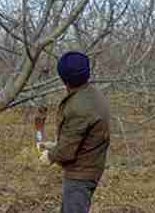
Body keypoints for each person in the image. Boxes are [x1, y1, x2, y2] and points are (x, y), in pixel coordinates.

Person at [37, 51, 111, 213]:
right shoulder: (91, 94)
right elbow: (79, 135)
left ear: (64, 78)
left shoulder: (79, 107)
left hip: (81, 174)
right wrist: (55, 145)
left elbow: (66, 152)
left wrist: (50, 156)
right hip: (90, 165)